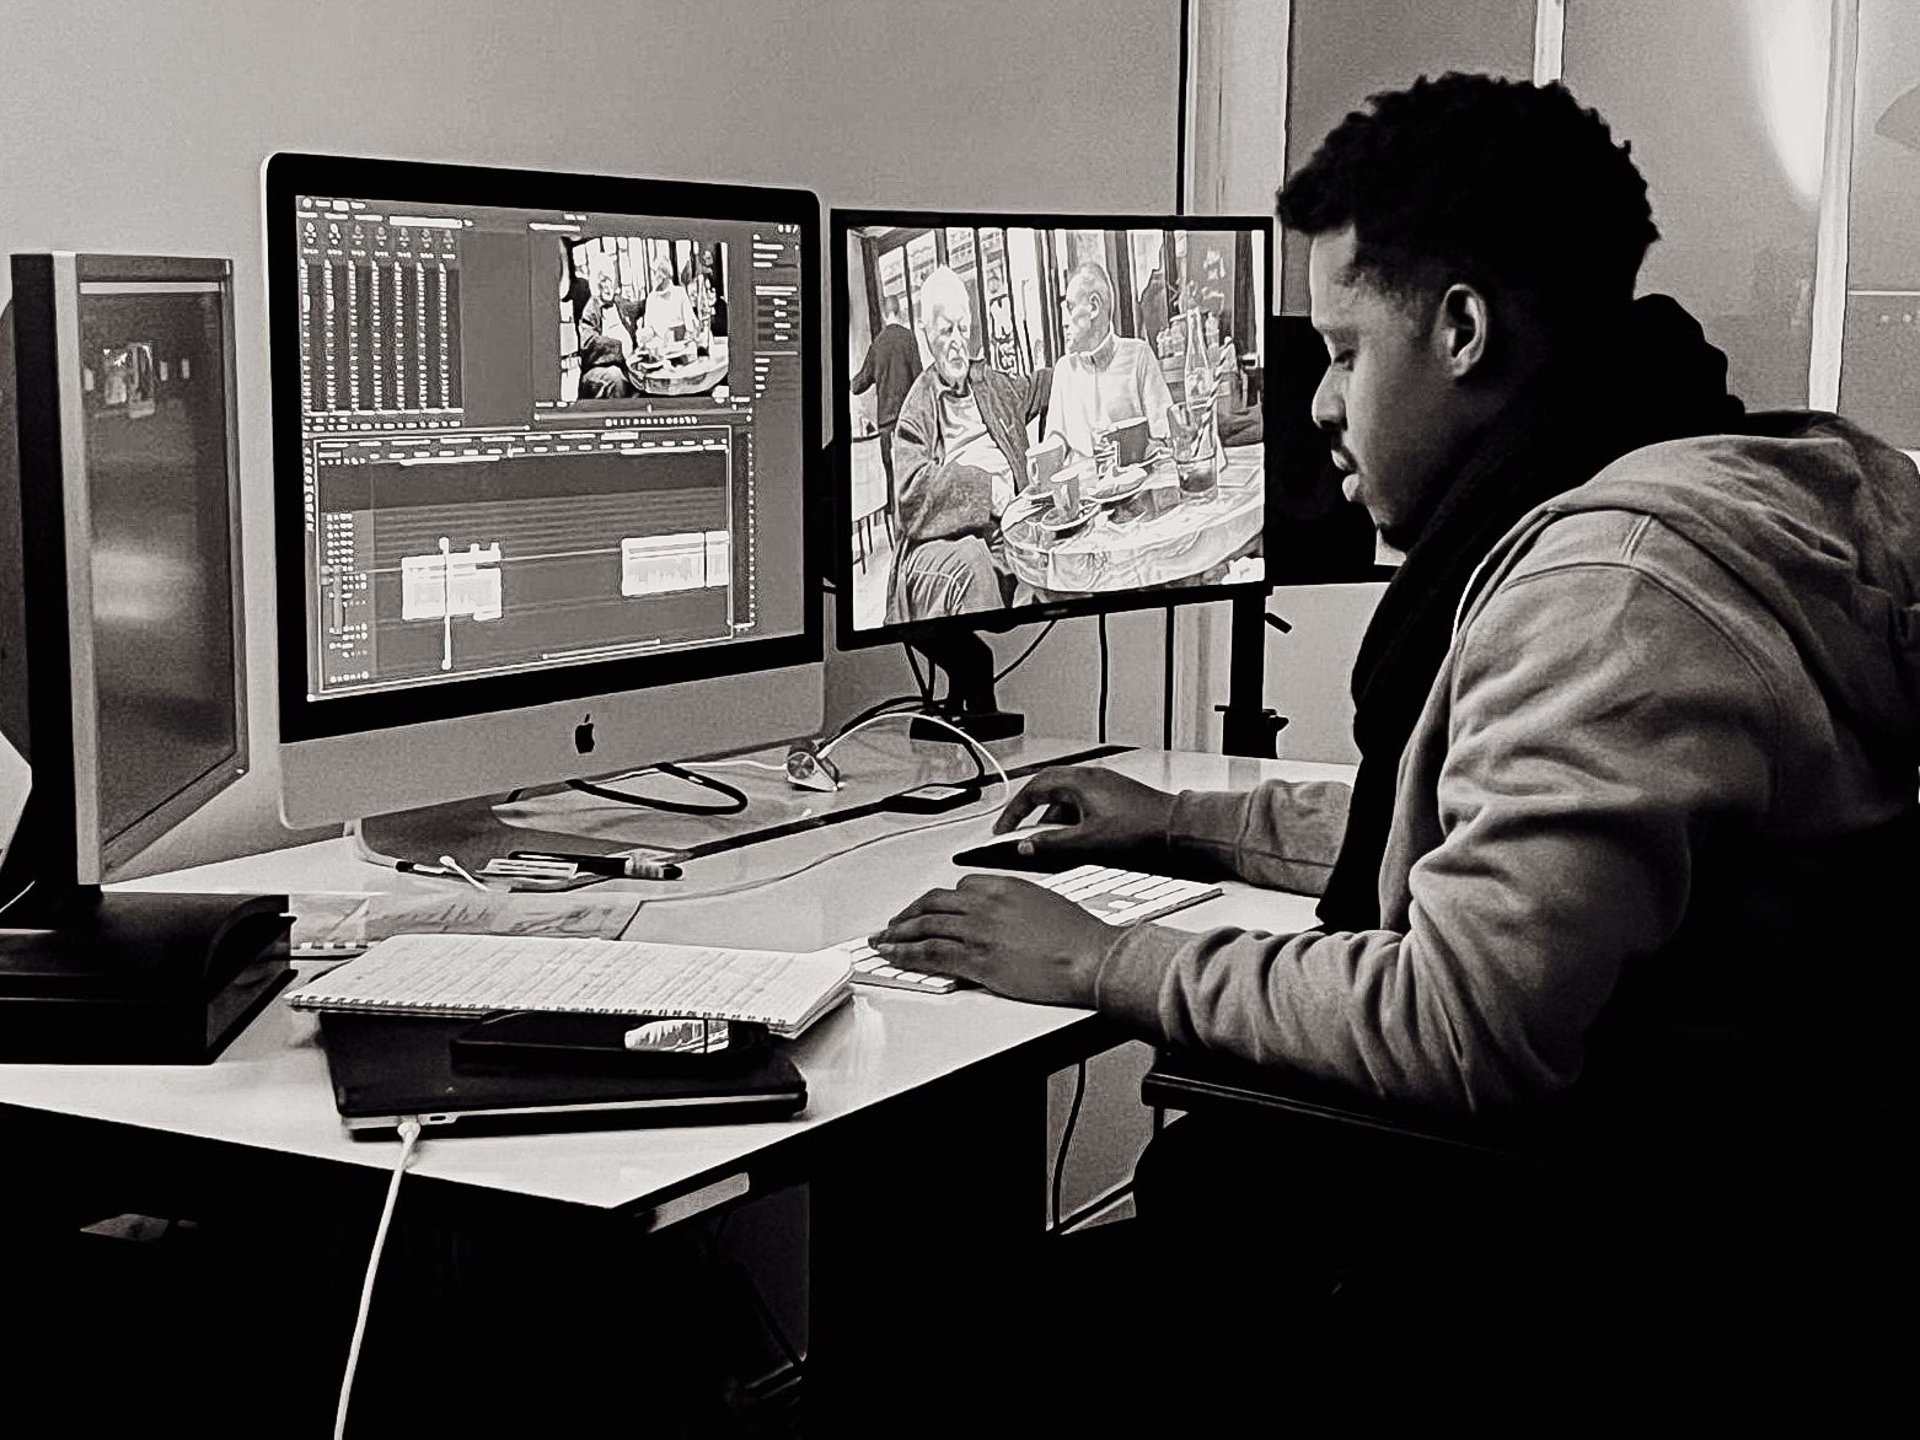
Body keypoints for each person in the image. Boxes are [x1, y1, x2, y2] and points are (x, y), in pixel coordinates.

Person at [873, 73, 1917, 1427]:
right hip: (1654, 1239)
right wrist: (1186, 821)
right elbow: (1494, 834)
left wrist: (1104, 960)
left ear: (1465, 329)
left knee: (935, 1348)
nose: (1316, 407)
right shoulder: (1714, 492)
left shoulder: (1611, 592)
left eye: (1348, 350)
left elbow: (1463, 1021)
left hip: (1498, 1283)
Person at [886, 266, 1049, 623]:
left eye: (964, 328)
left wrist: (1080, 364)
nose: (958, 341)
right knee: (973, 564)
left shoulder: (991, 384)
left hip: (1008, 528)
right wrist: (988, 490)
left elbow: (1040, 386)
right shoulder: (919, 405)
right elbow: (910, 494)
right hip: (944, 542)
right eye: (946, 331)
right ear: (926, 332)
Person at [1042, 260, 1175, 462]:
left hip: (1135, 484)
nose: (1063, 322)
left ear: (1093, 307)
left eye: (1069, 308)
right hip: (1083, 489)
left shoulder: (1139, 356)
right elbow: (1055, 439)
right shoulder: (1063, 371)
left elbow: (1164, 434)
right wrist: (1046, 459)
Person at [848, 296, 923, 495]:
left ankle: (895, 521)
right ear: (900, 311)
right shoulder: (908, 338)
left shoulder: (878, 344)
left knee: (891, 478)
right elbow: (919, 381)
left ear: (883, 314)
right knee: (913, 475)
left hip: (885, 427)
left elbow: (859, 384)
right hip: (909, 422)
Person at [577, 271, 642, 398]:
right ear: (596, 285)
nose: (607, 286)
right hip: (599, 369)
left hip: (627, 365)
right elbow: (588, 342)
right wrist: (617, 347)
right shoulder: (591, 309)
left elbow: (638, 307)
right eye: (602, 281)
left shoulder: (619, 302)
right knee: (615, 378)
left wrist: (658, 295)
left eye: (609, 280)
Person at [641, 255, 696, 346]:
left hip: (679, 344)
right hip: (659, 346)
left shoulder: (679, 293)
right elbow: (648, 326)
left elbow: (690, 322)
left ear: (663, 275)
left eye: (654, 273)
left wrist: (688, 334)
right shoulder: (651, 298)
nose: (652, 278)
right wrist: (645, 335)